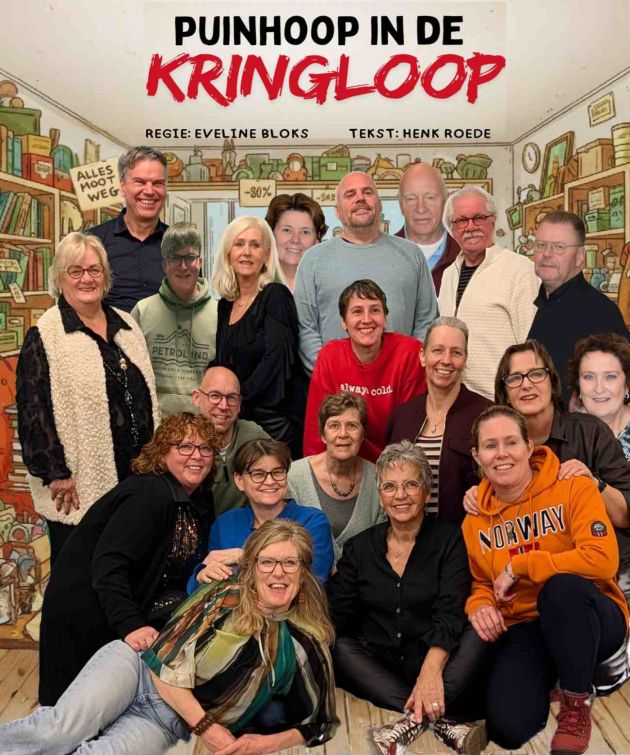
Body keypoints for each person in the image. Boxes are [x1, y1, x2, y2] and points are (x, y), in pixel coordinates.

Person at [0, 520, 339, 755]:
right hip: (137, 672)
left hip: (167, 720)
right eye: (267, 562)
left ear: (303, 571)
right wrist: (209, 728)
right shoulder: (223, 595)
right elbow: (163, 665)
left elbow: (321, 723)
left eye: (289, 563)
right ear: (250, 568)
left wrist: (262, 744)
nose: (278, 572)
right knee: (56, 733)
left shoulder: (307, 643)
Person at [463, 405, 629, 752]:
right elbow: (481, 582)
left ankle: (575, 703)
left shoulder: (571, 486)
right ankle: (556, 672)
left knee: (560, 588)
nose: (502, 453)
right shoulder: (475, 520)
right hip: (527, 625)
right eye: (490, 445)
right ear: (477, 456)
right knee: (508, 729)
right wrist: (479, 605)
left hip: (593, 617)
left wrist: (522, 565)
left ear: (529, 446)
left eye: (511, 442)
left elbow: (603, 560)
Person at [37, 412, 217, 706]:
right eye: (184, 446)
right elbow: (109, 564)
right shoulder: (149, 493)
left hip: (124, 610)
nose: (196, 455)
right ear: (162, 453)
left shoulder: (197, 500)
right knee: (71, 714)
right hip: (87, 612)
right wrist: (130, 624)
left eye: (205, 448)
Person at [328, 442, 488, 755]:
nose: (400, 495)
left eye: (411, 484)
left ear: (426, 492)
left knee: (481, 630)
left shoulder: (450, 540)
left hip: (440, 663)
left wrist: (430, 671)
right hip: (383, 667)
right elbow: (338, 613)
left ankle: (411, 719)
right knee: (340, 645)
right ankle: (437, 720)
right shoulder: (359, 548)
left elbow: (451, 611)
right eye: (389, 487)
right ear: (380, 496)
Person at [16, 232, 159, 564]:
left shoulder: (126, 325)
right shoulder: (46, 334)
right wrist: (56, 473)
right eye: (76, 271)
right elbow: (33, 411)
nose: (87, 279)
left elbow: (146, 395)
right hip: (78, 484)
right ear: (59, 278)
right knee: (78, 575)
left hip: (136, 476)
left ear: (105, 277)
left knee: (125, 570)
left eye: (95, 270)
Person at [294, 171, 438, 373]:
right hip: (336, 386)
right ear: (337, 211)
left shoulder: (411, 255)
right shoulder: (314, 260)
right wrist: (332, 375)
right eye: (350, 194)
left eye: (367, 192)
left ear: (379, 204)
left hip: (400, 383)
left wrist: (408, 372)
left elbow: (427, 321)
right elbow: (305, 327)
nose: (360, 198)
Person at [211, 215, 307, 459]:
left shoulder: (276, 295)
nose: (246, 252)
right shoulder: (225, 305)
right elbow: (223, 362)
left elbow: (275, 363)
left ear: (266, 255)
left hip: (275, 422)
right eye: (239, 244)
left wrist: (234, 398)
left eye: (255, 245)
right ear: (228, 253)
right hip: (239, 418)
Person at [303, 279, 426, 462]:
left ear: (385, 319)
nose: (367, 319)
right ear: (344, 322)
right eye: (357, 311)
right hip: (344, 463)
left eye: (375, 310)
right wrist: (314, 472)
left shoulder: (409, 353)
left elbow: (410, 428)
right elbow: (316, 430)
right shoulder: (330, 356)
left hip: (396, 464)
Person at [189, 438, 334, 589]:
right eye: (258, 474)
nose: (270, 481)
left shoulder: (312, 521)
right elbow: (207, 586)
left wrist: (243, 556)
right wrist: (200, 575)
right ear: (239, 480)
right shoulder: (225, 523)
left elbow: (313, 579)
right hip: (233, 604)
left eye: (277, 472)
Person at [438, 186, 539, 399]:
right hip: (456, 400)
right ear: (451, 229)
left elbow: (532, 345)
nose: (470, 227)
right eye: (461, 221)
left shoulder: (520, 270)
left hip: (501, 400)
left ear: (493, 221)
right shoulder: (449, 275)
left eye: (479, 218)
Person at [388, 316, 491, 524]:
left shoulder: (487, 416)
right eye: (437, 350)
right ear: (422, 356)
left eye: (456, 352)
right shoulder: (402, 417)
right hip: (407, 537)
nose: (446, 360)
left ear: (465, 359)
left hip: (465, 537)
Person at [528, 211, 629, 399]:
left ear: (580, 256)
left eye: (559, 247)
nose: (547, 254)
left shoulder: (599, 313)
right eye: (541, 245)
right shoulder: (540, 302)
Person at [131, 221, 218, 415]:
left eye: (190, 257)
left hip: (203, 424)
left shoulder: (220, 314)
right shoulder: (142, 311)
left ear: (200, 262)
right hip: (155, 422)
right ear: (164, 265)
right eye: (175, 258)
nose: (183, 266)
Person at [288, 392, 384, 562]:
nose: (343, 434)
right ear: (322, 435)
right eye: (334, 426)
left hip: (363, 576)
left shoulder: (378, 479)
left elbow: (380, 545)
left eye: (352, 426)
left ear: (363, 435)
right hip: (305, 576)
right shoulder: (294, 476)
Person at [91, 146, 169, 311]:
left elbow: (195, 303)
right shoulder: (92, 242)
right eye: (140, 182)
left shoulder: (180, 244)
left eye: (158, 183)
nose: (149, 191)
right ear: (122, 187)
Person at [193, 366, 270, 516]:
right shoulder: (183, 441)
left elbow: (283, 476)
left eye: (231, 398)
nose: (223, 406)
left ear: (239, 404)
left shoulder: (253, 437)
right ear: (197, 398)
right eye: (215, 396)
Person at [395, 163, 460, 294]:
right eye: (411, 199)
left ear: (446, 201)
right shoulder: (382, 255)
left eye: (430, 198)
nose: (421, 209)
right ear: (401, 204)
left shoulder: (466, 255)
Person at [567, 333, 630, 459]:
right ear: (578, 384)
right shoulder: (563, 434)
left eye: (610, 376)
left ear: (627, 385)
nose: (599, 389)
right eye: (589, 377)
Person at [264, 192, 328, 291]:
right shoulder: (253, 283)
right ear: (271, 234)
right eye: (287, 230)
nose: (295, 240)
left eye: (305, 232)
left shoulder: (331, 285)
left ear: (317, 240)